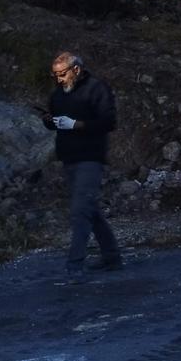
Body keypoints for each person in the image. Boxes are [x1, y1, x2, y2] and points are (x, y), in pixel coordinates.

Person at [42, 51, 123, 283]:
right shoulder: (59, 93)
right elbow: (54, 119)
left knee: (80, 210)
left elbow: (108, 121)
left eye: (62, 74)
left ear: (76, 69)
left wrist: (76, 124)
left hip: (91, 157)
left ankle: (74, 264)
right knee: (90, 209)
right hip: (69, 158)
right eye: (55, 75)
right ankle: (112, 257)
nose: (59, 79)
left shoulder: (97, 89)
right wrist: (49, 121)